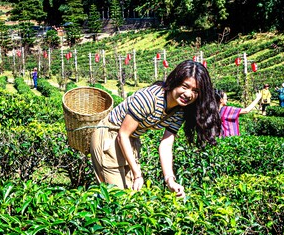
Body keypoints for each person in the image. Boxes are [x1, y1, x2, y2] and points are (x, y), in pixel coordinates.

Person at [89, 60, 220, 197]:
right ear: (175, 81)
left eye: (195, 91)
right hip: (110, 135)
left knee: (131, 195)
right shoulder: (149, 98)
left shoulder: (180, 110)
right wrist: (137, 174)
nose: (188, 94)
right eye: (185, 86)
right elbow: (123, 134)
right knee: (117, 196)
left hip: (131, 139)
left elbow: (166, 144)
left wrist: (170, 180)